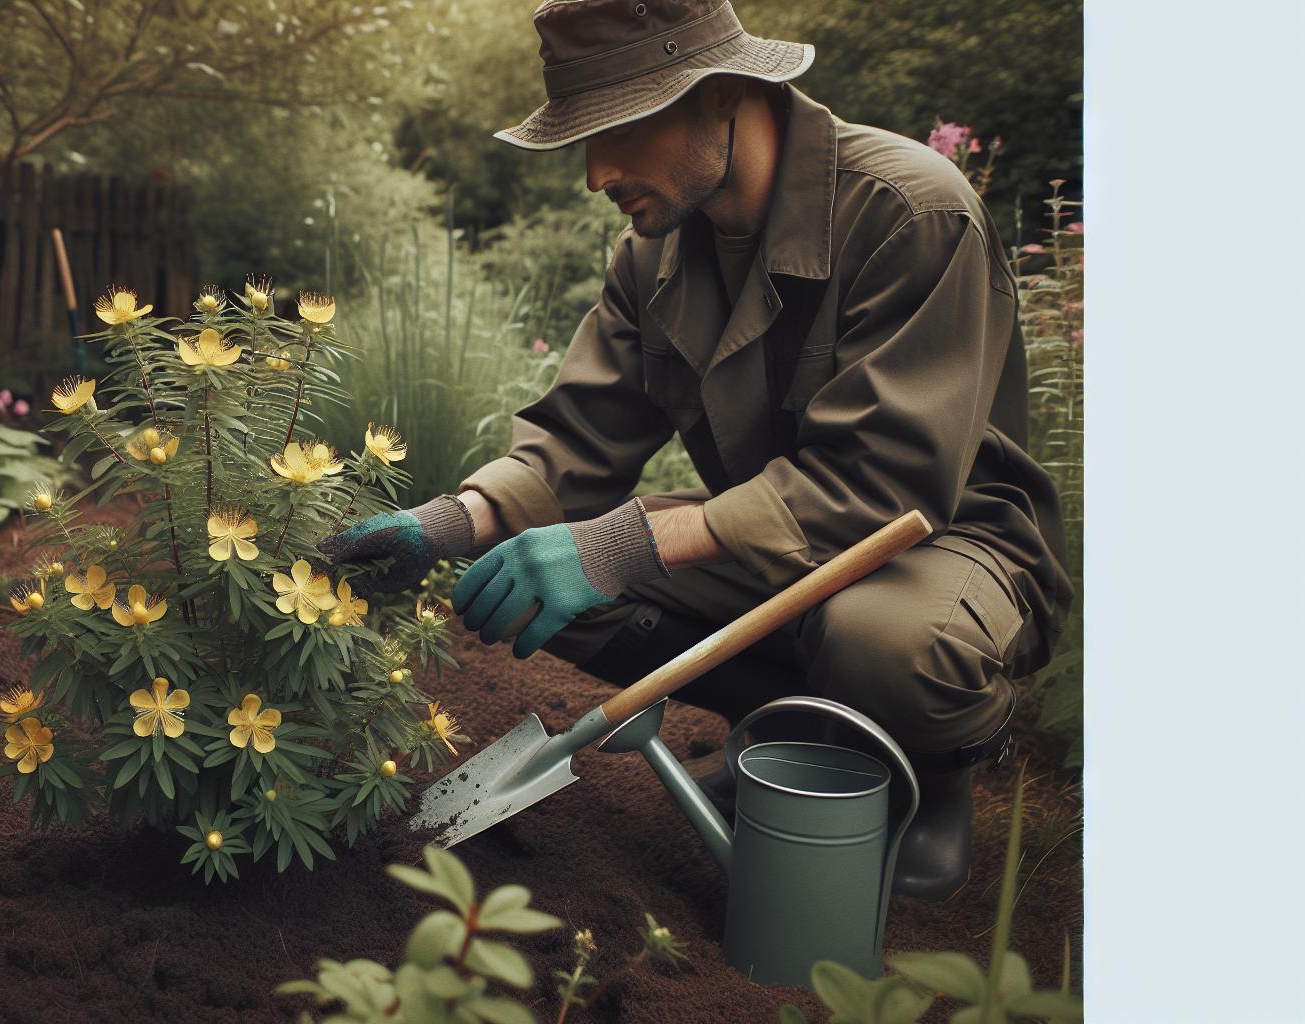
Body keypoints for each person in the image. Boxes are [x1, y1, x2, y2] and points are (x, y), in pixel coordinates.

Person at [318, 0, 1072, 901]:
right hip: (772, 542)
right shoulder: (655, 250)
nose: (596, 172)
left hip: (940, 544)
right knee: (552, 582)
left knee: (882, 639)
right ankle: (794, 729)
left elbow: (886, 486)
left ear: (721, 93)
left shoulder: (910, 212)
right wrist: (446, 524)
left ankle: (922, 775)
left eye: (618, 130)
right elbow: (577, 440)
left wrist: (625, 541)